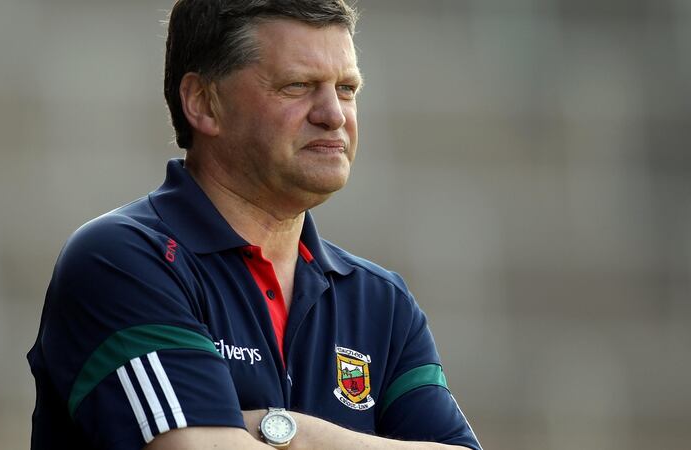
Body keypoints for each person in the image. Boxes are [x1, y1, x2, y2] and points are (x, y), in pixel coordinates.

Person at [27, 1, 482, 449]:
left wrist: (290, 432)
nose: (334, 115)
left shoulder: (381, 301)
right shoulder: (121, 259)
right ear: (204, 103)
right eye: (298, 85)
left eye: (346, 88)